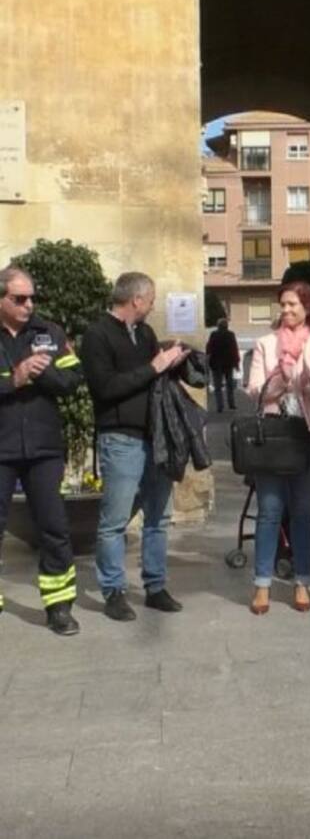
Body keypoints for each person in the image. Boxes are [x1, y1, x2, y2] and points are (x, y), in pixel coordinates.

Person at [81, 272, 188, 622]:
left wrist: (173, 362)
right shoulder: (97, 334)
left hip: (156, 436)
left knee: (159, 516)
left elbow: (156, 377)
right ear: (136, 300)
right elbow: (105, 388)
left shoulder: (145, 333)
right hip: (121, 438)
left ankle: (155, 586)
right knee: (114, 521)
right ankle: (113, 591)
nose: (154, 304)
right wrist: (153, 366)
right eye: (151, 298)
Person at [0, 266, 85, 635]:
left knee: (54, 527)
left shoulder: (49, 332)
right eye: (19, 299)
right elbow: (13, 380)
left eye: (32, 298)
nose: (28, 305)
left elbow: (72, 379)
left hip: (44, 449)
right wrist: (13, 379)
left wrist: (41, 373)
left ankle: (59, 607)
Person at [244, 281, 310, 615]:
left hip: (308, 436)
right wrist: (280, 380)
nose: (286, 311)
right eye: (282, 305)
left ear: (307, 308)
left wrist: (306, 381)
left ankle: (302, 581)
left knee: (302, 511)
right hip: (272, 438)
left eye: (293, 305)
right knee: (268, 511)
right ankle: (262, 584)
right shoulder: (265, 344)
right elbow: (254, 391)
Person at [205, 317, 240, 412]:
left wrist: (207, 361)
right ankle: (231, 404)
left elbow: (209, 348)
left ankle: (220, 406)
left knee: (218, 387)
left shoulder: (213, 335)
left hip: (216, 364)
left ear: (218, 326)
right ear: (227, 326)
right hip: (228, 364)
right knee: (229, 386)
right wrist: (237, 363)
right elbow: (234, 349)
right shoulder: (230, 335)